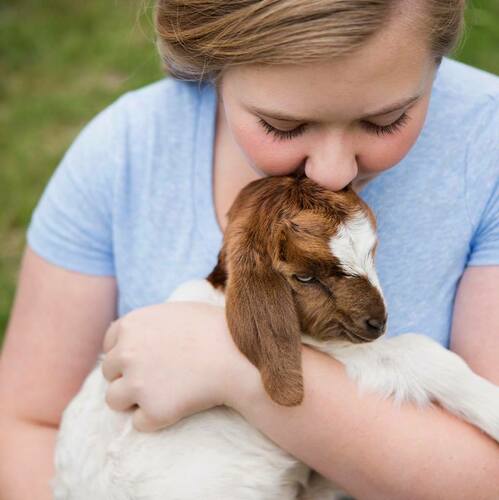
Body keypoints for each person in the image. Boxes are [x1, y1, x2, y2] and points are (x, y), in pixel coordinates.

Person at [1, 0, 498, 498]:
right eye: (282, 127)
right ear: (212, 69)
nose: (332, 172)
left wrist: (235, 369)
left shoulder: (486, 148)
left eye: (387, 121)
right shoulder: (125, 153)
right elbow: (27, 422)